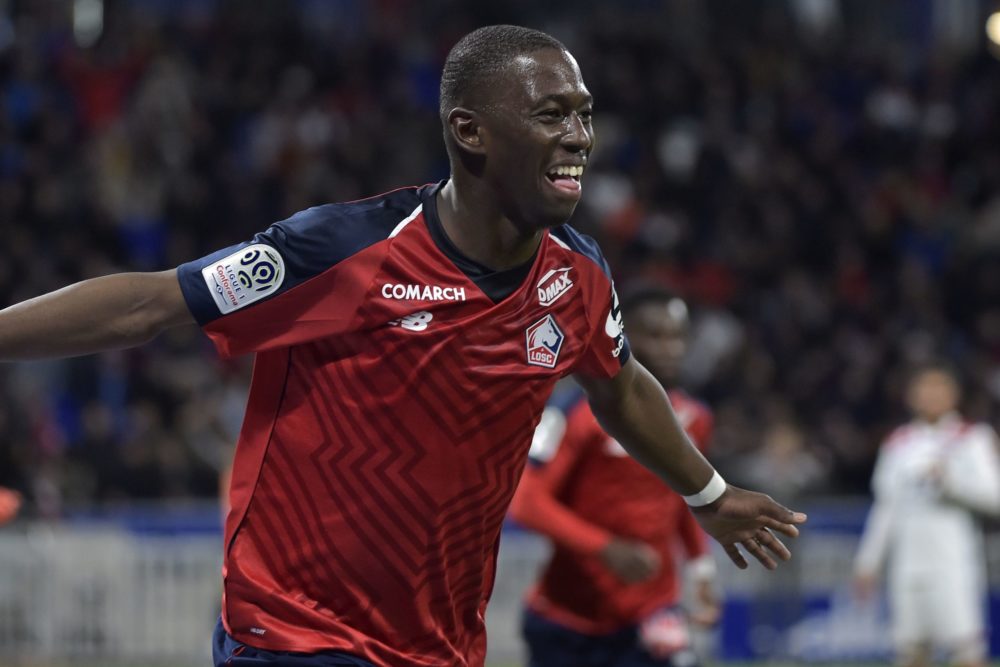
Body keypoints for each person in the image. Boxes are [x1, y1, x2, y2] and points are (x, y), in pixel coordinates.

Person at [0, 25, 805, 667]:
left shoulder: (577, 273)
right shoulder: (343, 251)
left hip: (441, 645)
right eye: (552, 114)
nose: (579, 137)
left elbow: (619, 383)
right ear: (470, 131)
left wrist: (708, 494)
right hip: (295, 635)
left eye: (585, 113)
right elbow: (148, 303)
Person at [511, 288, 719, 667]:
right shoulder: (573, 411)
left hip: (652, 613)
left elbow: (682, 499)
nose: (671, 348)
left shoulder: (696, 418)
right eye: (656, 335)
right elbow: (526, 502)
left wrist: (700, 569)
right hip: (569, 619)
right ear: (623, 335)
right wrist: (606, 548)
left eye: (678, 336)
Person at [853, 363, 1000, 667]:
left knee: (966, 651)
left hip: (953, 559)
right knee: (910, 652)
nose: (931, 396)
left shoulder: (972, 437)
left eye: (939, 389)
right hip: (907, 562)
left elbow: (994, 497)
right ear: (912, 396)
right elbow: (885, 507)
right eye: (925, 389)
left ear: (954, 395)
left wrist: (951, 485)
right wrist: (868, 561)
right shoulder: (898, 442)